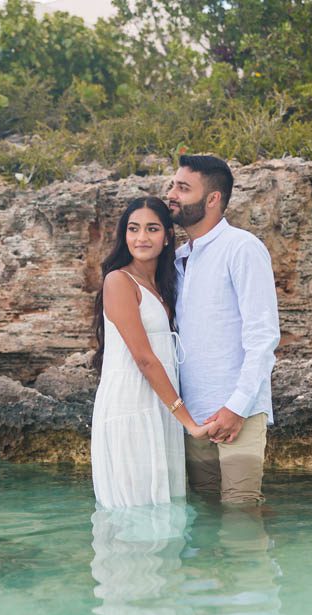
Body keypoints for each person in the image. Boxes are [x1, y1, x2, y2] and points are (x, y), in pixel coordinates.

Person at [167, 155, 281, 505]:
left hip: (238, 414)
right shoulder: (176, 258)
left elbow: (263, 337)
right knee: (206, 517)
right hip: (192, 419)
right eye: (173, 185)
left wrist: (237, 408)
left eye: (183, 188)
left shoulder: (242, 248)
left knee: (241, 515)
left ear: (212, 199)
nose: (171, 194)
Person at [91, 196, 210, 509]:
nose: (141, 238)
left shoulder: (163, 284)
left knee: (165, 505)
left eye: (152, 229)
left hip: (160, 405)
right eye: (133, 229)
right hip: (131, 406)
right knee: (138, 508)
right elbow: (144, 358)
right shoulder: (118, 281)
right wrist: (189, 422)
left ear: (167, 235)